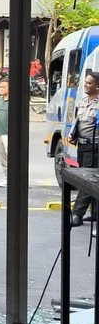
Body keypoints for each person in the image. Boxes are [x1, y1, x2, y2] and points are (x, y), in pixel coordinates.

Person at [69, 72, 99, 227]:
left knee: (87, 181)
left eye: (89, 83)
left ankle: (77, 214)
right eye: (85, 82)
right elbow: (78, 121)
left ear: (97, 86)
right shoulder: (83, 102)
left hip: (94, 146)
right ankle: (95, 213)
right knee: (88, 178)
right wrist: (72, 134)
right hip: (82, 145)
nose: (86, 85)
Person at [0, 79, 9, 188]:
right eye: (0, 87)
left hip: (8, 134)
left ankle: (14, 179)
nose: (1, 89)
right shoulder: (0, 100)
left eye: (4, 87)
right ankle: (7, 178)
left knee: (11, 158)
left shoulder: (12, 101)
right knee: (3, 158)